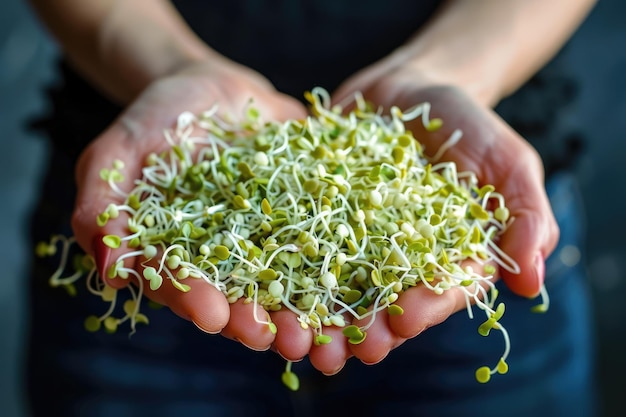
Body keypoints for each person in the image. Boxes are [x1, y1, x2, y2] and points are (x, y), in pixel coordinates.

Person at [25, 0, 597, 416]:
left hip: (474, 211)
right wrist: (170, 67)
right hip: (147, 198)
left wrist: (449, 71)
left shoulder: (452, 212)